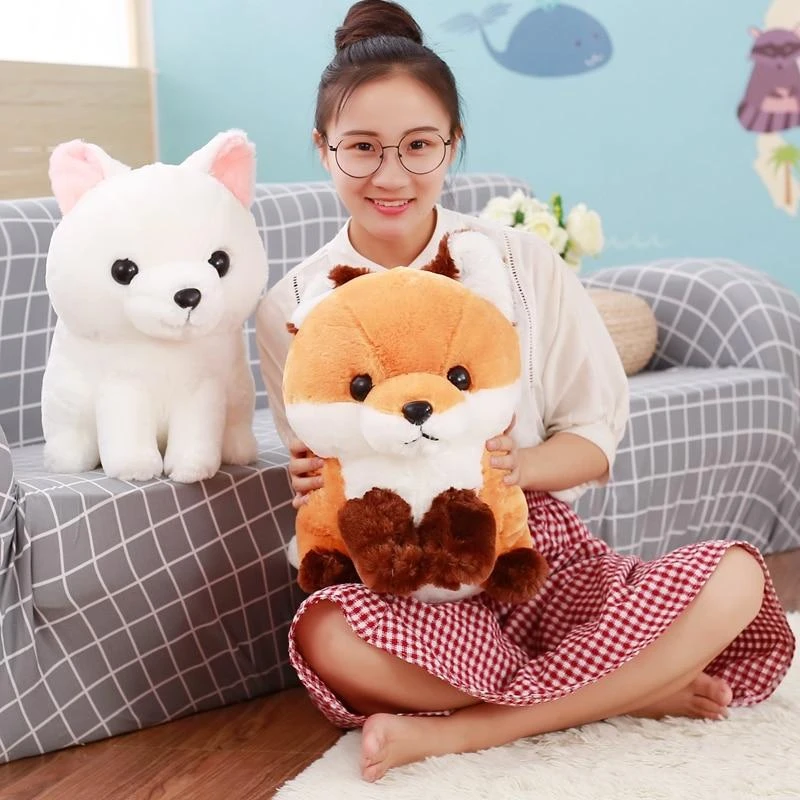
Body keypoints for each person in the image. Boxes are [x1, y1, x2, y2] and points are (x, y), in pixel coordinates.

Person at [256, 0, 795, 783]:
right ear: (323, 149)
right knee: (325, 636)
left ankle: (465, 731)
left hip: (532, 556)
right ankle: (625, 689)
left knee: (738, 579)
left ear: (453, 145)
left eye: (419, 146)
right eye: (362, 148)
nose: (391, 176)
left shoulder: (517, 262)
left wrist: (519, 467)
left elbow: (595, 437)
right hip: (405, 579)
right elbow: (323, 458)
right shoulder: (295, 304)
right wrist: (311, 482)